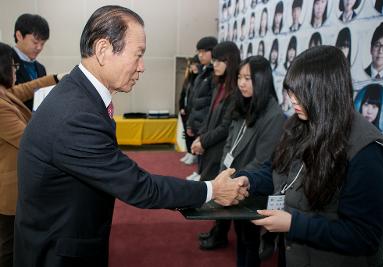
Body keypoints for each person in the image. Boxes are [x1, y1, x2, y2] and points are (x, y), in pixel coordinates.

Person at [14, 6, 249, 267]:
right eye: (138, 55)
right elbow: (139, 187)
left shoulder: (78, 95)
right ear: (103, 50)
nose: (142, 67)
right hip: (58, 253)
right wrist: (212, 189)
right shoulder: (76, 115)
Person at [238, 46, 383, 267]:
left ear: (326, 90)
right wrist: (248, 180)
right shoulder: (298, 124)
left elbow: (364, 235)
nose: (292, 100)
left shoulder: (366, 152)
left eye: (300, 93)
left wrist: (294, 225)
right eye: (290, 91)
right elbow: (277, 169)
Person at [0, 42, 61, 267]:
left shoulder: (4, 93)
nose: (15, 71)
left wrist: (56, 78)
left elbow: (27, 88)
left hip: (13, 185)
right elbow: (29, 140)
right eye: (13, 66)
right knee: (8, 247)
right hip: (7, 192)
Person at [222, 56, 285, 267]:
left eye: (248, 78)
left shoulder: (274, 115)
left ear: (262, 79)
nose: (241, 83)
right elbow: (229, 143)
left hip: (252, 189)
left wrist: (234, 182)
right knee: (241, 235)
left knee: (250, 240)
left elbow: (262, 162)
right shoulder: (243, 103)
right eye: (240, 77)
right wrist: (225, 174)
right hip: (235, 183)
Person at [190, 42, 241, 250]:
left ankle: (219, 234)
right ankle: (217, 231)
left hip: (222, 150)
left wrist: (203, 140)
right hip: (212, 147)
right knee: (216, 191)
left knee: (221, 192)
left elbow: (226, 127)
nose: (215, 64)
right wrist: (201, 138)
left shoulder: (235, 91)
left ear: (230, 62)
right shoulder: (219, 84)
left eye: (220, 60)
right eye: (215, 60)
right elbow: (211, 118)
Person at [186, 36, 217, 177]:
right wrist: (191, 123)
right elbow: (195, 102)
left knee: (206, 152)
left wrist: (204, 125)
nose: (200, 55)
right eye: (199, 52)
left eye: (204, 51)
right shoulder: (202, 73)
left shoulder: (214, 75)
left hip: (206, 123)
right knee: (199, 151)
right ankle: (199, 172)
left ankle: (201, 174)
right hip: (198, 121)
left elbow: (211, 105)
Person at [12, 13, 49, 110]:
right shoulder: (6, 62)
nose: (39, 48)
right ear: (19, 36)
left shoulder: (41, 68)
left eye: (43, 43)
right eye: (35, 42)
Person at [178, 55, 201, 164]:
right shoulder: (189, 78)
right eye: (191, 65)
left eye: (195, 64)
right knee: (187, 133)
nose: (192, 67)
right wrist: (181, 107)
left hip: (194, 112)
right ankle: (189, 152)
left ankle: (193, 154)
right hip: (185, 111)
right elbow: (183, 95)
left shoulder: (199, 78)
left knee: (193, 133)